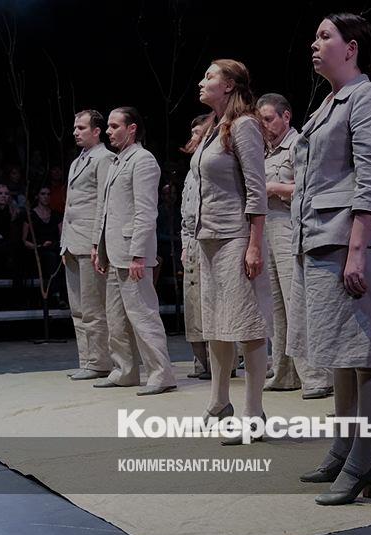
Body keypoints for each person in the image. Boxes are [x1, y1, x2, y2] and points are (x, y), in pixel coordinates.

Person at [291, 13, 371, 504]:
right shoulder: (328, 104)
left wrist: (357, 249)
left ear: (351, 47)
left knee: (367, 353)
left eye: (324, 36)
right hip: (322, 240)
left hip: (354, 243)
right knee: (341, 353)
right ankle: (342, 449)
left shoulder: (369, 96)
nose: (314, 44)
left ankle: (362, 462)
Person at [192, 59, 273, 440]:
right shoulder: (214, 128)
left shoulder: (244, 126)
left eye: (209, 76)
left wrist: (254, 244)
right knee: (216, 326)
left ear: (228, 85)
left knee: (247, 325)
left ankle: (253, 412)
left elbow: (257, 190)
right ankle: (218, 401)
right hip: (208, 239)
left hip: (236, 238)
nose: (202, 81)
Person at [92, 107, 178, 396]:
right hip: (114, 251)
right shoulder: (117, 161)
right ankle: (125, 371)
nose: (108, 131)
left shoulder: (143, 160)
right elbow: (107, 211)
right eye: (108, 126)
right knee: (116, 318)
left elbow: (145, 211)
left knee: (143, 315)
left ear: (132, 128)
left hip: (132, 253)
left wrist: (139, 254)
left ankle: (161, 374)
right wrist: (99, 247)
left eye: (115, 126)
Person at [257, 92, 333, 398]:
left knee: (297, 303)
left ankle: (317, 376)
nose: (264, 125)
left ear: (285, 116)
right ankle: (285, 372)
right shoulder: (264, 152)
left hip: (292, 228)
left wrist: (274, 187)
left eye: (268, 119)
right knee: (276, 306)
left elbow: (311, 186)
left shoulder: (299, 144)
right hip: (268, 230)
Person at [61, 110, 116, 380]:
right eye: (75, 127)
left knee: (94, 309)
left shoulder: (104, 158)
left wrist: (97, 244)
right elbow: (71, 205)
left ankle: (100, 362)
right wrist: (64, 243)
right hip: (72, 243)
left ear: (96, 131)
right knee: (78, 309)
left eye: (81, 127)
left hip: (89, 243)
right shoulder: (77, 161)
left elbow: (103, 205)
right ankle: (87, 361)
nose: (76, 132)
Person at [180, 114, 211, 379]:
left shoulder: (211, 169)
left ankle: (221, 362)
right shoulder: (190, 174)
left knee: (209, 302)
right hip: (191, 242)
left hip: (208, 239)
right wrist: (184, 244)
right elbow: (185, 216)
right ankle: (200, 361)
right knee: (192, 303)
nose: (193, 138)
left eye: (198, 133)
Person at [22, 185, 66, 308]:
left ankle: (63, 295)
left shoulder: (56, 215)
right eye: (43, 194)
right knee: (51, 257)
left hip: (54, 247)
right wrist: (39, 246)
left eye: (48, 194)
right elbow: (24, 240)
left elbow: (62, 236)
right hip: (37, 250)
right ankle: (56, 295)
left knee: (60, 257)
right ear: (37, 196)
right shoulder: (30, 215)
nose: (46, 197)